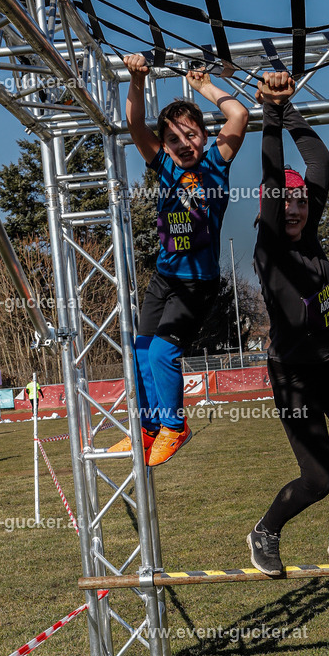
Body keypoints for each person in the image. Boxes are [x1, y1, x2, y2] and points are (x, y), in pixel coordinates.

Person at [247, 72, 329, 575]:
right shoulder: (271, 245)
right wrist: (268, 115)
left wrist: (287, 107)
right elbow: (277, 173)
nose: (297, 207)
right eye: (286, 202)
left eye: (303, 201)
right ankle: (265, 531)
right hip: (294, 374)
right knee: (318, 478)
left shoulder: (309, 225)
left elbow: (318, 160)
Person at [107, 53, 248, 466]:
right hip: (164, 277)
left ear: (205, 135)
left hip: (196, 281)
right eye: (174, 140)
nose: (185, 144)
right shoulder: (164, 166)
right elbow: (134, 124)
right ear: (165, 145)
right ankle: (148, 431)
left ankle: (174, 426)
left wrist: (203, 86)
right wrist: (135, 80)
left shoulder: (216, 163)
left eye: (192, 135)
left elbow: (238, 113)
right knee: (140, 351)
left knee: (163, 354)